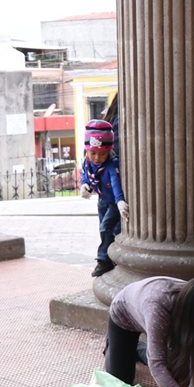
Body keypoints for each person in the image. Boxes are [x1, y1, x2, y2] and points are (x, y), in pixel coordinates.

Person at [81, 96, 128, 278]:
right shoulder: (91, 158)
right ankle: (107, 257)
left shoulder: (110, 162)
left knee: (107, 227)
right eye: (92, 153)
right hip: (103, 197)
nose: (96, 158)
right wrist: (86, 184)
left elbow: (115, 182)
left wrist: (119, 201)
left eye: (100, 154)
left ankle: (104, 258)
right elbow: (86, 171)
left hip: (112, 198)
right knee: (107, 226)